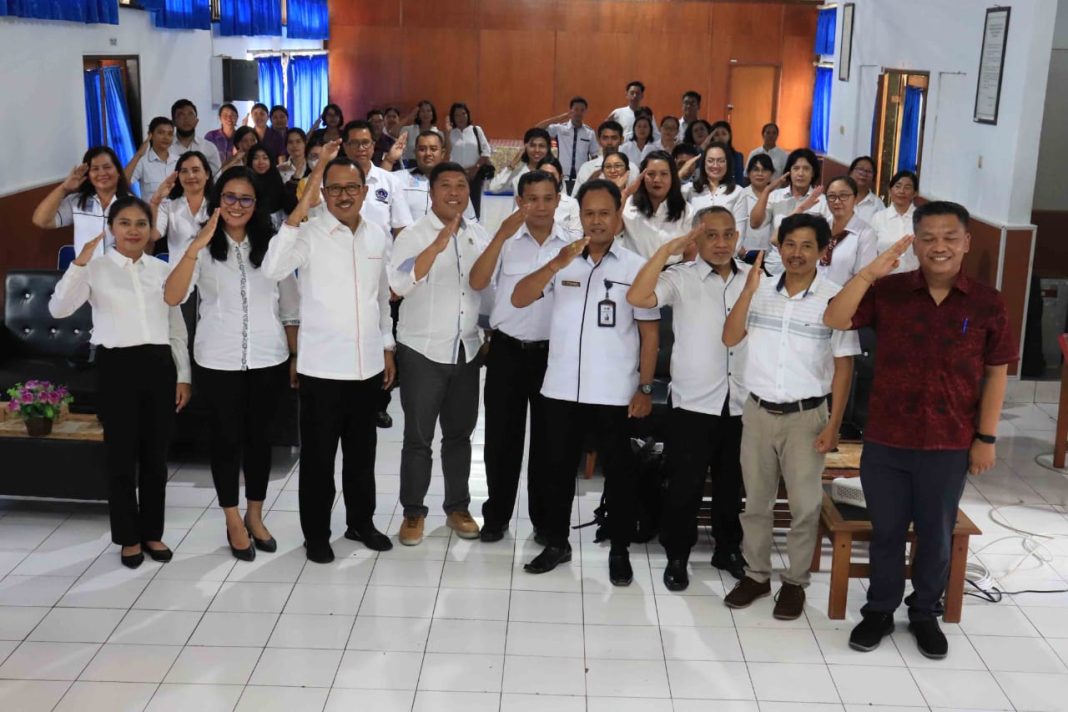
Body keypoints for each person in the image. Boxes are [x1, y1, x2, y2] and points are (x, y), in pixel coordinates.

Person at [823, 201, 1016, 659]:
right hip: (887, 439)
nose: (938, 247)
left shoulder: (988, 303)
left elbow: (996, 373)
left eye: (949, 237)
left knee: (936, 534)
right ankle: (879, 610)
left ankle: (924, 612)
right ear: (914, 244)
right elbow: (835, 318)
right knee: (886, 532)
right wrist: (869, 273)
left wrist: (986, 438)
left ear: (967, 242)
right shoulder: (889, 291)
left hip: (949, 442)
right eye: (927, 238)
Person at [512, 179, 659, 585]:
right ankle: (556, 542)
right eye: (589, 214)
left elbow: (650, 334)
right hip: (560, 388)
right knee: (557, 471)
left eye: (604, 213)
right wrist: (554, 265)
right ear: (579, 217)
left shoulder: (635, 267)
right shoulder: (561, 260)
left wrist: (645, 387)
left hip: (614, 391)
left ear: (618, 216)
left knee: (620, 475)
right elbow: (519, 298)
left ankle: (619, 549)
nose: (596, 221)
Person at [261, 140, 397, 564]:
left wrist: (387, 346)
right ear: (323, 192)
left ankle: (361, 522)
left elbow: (380, 297)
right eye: (334, 188)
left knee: (362, 456)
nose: (343, 195)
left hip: (367, 366)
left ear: (364, 190)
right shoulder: (308, 233)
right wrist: (302, 206)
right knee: (319, 461)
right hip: (321, 368)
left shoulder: (376, 234)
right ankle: (316, 534)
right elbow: (272, 268)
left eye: (351, 187)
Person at [721, 214, 860, 619]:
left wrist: (834, 425)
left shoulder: (835, 298)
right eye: (790, 244)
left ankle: (795, 582)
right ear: (779, 247)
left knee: (804, 506)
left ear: (822, 251)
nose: (796, 253)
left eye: (807, 246)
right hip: (757, 412)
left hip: (806, 417)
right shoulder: (758, 290)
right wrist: (748, 291)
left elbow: (845, 368)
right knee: (756, 503)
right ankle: (756, 576)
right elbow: (730, 337)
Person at [164, 167, 298, 561]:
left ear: (257, 205)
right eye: (229, 197)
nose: (237, 205)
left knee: (260, 441)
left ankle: (255, 514)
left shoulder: (272, 244)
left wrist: (295, 355)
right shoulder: (201, 244)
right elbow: (172, 296)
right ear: (217, 200)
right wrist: (195, 246)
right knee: (225, 442)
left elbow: (290, 307)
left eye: (246, 199)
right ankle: (232, 518)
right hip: (217, 360)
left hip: (268, 357)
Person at [49, 196, 191, 568]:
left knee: (156, 458)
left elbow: (176, 328)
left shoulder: (161, 270)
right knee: (121, 458)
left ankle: (153, 533)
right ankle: (128, 537)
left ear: (150, 230)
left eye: (141, 224)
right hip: (116, 367)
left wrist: (183, 376)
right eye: (124, 223)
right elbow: (58, 309)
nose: (133, 230)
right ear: (111, 228)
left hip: (159, 365)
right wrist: (79, 264)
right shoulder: (94, 268)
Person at [627, 206, 750, 588]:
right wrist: (667, 251)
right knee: (685, 487)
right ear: (696, 238)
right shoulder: (681, 277)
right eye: (711, 235)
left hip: (742, 401)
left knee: (732, 487)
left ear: (737, 237)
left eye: (727, 234)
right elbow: (638, 296)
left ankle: (728, 549)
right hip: (693, 402)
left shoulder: (755, 278)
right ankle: (677, 555)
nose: (721, 243)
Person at [388, 161, 490, 546]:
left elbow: (487, 288)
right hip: (422, 350)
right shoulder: (413, 235)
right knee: (418, 437)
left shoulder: (477, 234)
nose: (454, 192)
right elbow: (398, 285)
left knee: (460, 435)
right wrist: (435, 246)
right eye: (445, 185)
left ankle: (458, 507)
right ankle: (413, 512)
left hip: (467, 349)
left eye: (461, 185)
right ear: (431, 193)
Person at [469, 170, 571, 542]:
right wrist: (500, 235)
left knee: (548, 443)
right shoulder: (505, 241)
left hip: (553, 356)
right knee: (501, 440)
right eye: (532, 199)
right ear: (519, 202)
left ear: (558, 200)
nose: (540, 206)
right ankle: (496, 516)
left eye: (547, 198)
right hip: (507, 351)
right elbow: (477, 282)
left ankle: (543, 521)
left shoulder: (571, 245)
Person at [32, 146, 131, 257]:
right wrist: (64, 188)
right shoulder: (76, 201)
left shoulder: (132, 204)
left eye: (107, 167)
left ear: (118, 172)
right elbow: (41, 221)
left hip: (120, 267)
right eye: (95, 169)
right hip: (85, 267)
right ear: (88, 176)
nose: (102, 173)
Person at [342, 119, 413, 236]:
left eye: (365, 142)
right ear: (345, 147)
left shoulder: (390, 182)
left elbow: (402, 228)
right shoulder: (332, 181)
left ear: (373, 145)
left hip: (381, 248)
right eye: (354, 143)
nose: (361, 148)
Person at [620, 150, 692, 259]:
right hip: (636, 268)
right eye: (651, 174)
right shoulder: (628, 205)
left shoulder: (686, 210)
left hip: (674, 269)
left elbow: (690, 250)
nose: (657, 179)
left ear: (672, 177)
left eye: (664, 174)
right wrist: (626, 193)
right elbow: (613, 229)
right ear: (642, 176)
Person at [399, 130, 476, 222]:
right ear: (415, 152)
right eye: (422, 149)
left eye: (433, 149)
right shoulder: (398, 179)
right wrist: (389, 160)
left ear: (442, 153)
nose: (428, 153)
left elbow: (471, 223)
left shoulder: (456, 183)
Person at [150, 150, 213, 257]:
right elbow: (153, 236)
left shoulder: (218, 205)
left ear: (207, 174)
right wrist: (155, 202)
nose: (190, 175)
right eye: (184, 171)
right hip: (178, 266)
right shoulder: (168, 206)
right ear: (178, 176)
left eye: (195, 170)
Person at [822, 175, 879, 286]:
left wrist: (836, 295)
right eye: (832, 196)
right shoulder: (820, 227)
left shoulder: (866, 233)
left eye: (843, 195)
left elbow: (863, 276)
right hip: (813, 294)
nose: (837, 201)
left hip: (845, 295)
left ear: (855, 198)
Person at [681, 142, 748, 237]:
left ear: (727, 163)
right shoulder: (690, 189)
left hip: (726, 246)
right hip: (695, 245)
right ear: (704, 163)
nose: (715, 165)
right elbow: (668, 200)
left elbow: (739, 232)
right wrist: (680, 173)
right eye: (710, 161)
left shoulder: (738, 192)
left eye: (721, 161)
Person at [538, 96, 598, 195]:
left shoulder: (590, 133)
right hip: (562, 177)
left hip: (581, 179)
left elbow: (594, 157)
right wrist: (560, 117)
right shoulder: (560, 129)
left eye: (582, 110)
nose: (579, 113)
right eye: (576, 109)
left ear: (585, 112)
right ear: (570, 110)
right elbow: (538, 128)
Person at [445, 102, 493, 218]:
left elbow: (486, 151)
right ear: (453, 117)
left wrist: (475, 169)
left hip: (474, 174)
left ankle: (474, 227)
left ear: (468, 114)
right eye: (457, 115)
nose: (461, 118)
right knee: (456, 205)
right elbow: (446, 154)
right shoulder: (450, 133)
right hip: (455, 175)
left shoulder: (476, 130)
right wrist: (447, 133)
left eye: (463, 114)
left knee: (475, 205)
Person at [870, 170, 920, 273]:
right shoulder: (878, 218)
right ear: (890, 190)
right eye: (898, 186)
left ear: (915, 193)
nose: (901, 191)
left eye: (907, 187)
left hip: (914, 278)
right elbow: (870, 251)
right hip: (884, 277)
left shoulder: (922, 218)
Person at [125, 117, 177, 198]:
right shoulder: (143, 161)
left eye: (170, 134)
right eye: (161, 133)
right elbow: (122, 183)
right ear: (150, 135)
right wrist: (138, 154)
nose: (166, 137)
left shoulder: (179, 161)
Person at [570, 120, 625, 197]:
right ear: (599, 140)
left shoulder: (632, 168)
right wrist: (588, 184)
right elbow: (574, 200)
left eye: (614, 138)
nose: (609, 142)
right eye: (605, 138)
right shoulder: (587, 168)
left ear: (622, 140)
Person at [489, 127, 551, 194]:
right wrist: (512, 164)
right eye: (532, 145)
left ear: (548, 148)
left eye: (541, 146)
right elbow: (494, 188)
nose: (537, 150)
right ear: (525, 147)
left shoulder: (553, 171)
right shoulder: (518, 172)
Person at [245, 144, 296, 226]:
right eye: (256, 158)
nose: (261, 162)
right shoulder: (245, 183)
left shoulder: (276, 178)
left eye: (265, 158)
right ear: (250, 161)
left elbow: (290, 207)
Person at [169, 99, 222, 175]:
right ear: (173, 122)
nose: (186, 119)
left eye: (190, 114)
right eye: (181, 115)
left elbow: (216, 177)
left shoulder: (209, 147)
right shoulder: (166, 147)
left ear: (196, 121)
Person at [535, 156, 583, 240]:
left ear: (560, 177)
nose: (547, 179)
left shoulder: (571, 204)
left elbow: (577, 237)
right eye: (542, 174)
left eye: (552, 175)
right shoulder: (527, 202)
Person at [399, 101, 441, 167]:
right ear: (418, 114)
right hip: (409, 167)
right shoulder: (407, 130)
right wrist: (410, 117)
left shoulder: (438, 133)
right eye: (422, 111)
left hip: (430, 166)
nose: (425, 114)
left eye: (428, 111)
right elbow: (392, 132)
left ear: (433, 114)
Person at [708, 121, 746, 186]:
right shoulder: (707, 155)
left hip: (732, 189)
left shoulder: (737, 156)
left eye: (724, 134)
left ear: (729, 135)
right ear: (712, 138)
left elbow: (739, 181)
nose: (720, 137)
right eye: (716, 135)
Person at [279, 128, 311, 204]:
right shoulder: (279, 169)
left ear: (305, 143)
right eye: (290, 142)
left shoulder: (312, 166)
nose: (294, 145)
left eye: (298, 141)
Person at [849, 156, 884, 224]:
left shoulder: (878, 205)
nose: (864, 173)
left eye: (869, 171)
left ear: (873, 178)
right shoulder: (839, 197)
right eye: (860, 169)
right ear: (850, 172)